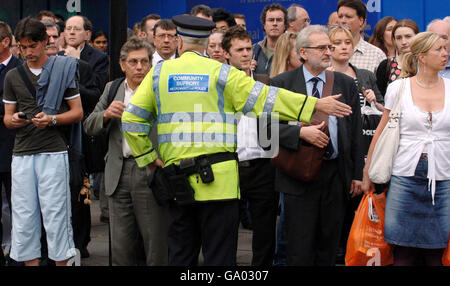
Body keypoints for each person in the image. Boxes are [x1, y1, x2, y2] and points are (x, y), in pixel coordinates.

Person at [121, 15, 352, 266]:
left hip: (178, 182)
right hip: (220, 184)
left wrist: (150, 159)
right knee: (219, 258)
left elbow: (131, 121)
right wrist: (314, 104)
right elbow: (265, 99)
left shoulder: (159, 75)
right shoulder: (223, 73)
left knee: (181, 255)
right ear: (208, 42)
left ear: (179, 41)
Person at [270, 25, 364, 266]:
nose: (328, 52)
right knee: (299, 250)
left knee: (329, 249)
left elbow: (354, 133)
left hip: (335, 176)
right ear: (303, 52)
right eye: (321, 47)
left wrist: (356, 175)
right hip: (297, 176)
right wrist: (301, 134)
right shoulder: (281, 83)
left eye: (330, 47)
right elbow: (264, 133)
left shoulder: (344, 83)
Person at [362, 32, 450, 266]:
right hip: (405, 175)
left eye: (446, 48)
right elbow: (381, 132)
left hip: (443, 178)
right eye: (439, 49)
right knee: (402, 249)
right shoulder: (398, 88)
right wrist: (367, 172)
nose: (445, 53)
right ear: (422, 56)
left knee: (437, 249)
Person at [3, 17, 83, 266]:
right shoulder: (13, 76)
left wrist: (53, 120)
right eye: (23, 47)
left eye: (32, 46)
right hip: (22, 152)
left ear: (45, 42)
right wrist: (14, 120)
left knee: (56, 216)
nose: (28, 52)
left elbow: (78, 112)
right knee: (24, 218)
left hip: (53, 152)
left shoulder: (63, 68)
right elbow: (7, 117)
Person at [84, 36, 168, 266]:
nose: (139, 67)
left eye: (143, 61)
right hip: (118, 173)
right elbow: (89, 124)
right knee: (120, 246)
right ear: (122, 65)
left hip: (150, 169)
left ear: (151, 64)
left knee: (155, 243)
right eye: (133, 62)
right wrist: (106, 114)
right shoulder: (113, 88)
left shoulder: (160, 91)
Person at [327, 24, 384, 264]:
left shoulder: (365, 75)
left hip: (364, 145)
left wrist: (374, 101)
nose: (343, 47)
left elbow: (385, 111)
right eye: (337, 43)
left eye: (347, 42)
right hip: (337, 150)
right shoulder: (325, 75)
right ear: (328, 48)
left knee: (356, 206)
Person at [222, 25, 276, 266]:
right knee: (226, 226)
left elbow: (273, 122)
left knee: (265, 229)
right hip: (229, 163)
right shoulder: (218, 86)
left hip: (262, 163)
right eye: (239, 50)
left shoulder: (264, 82)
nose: (246, 54)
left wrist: (272, 154)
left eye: (248, 49)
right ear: (226, 54)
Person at [268, 31, 303, 267]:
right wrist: (299, 131)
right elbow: (265, 132)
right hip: (281, 161)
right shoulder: (276, 85)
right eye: (297, 50)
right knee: (286, 218)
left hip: (309, 162)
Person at [0, 21, 22, 267]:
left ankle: (15, 253)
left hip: (14, 149)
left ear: (6, 42)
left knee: (17, 208)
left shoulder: (18, 70)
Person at [337, 0, 386, 73]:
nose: (343, 21)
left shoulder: (376, 55)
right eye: (340, 17)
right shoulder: (327, 51)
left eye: (348, 17)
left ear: (361, 21)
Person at [376, 19, 419, 97]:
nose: (403, 42)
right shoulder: (386, 65)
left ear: (417, 37)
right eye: (399, 38)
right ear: (394, 40)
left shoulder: (426, 63)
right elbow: (381, 98)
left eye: (408, 36)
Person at [253, 4, 288, 75]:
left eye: (279, 20)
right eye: (271, 20)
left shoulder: (291, 51)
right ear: (264, 25)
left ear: (285, 25)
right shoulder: (253, 50)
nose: (275, 24)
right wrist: (248, 70)